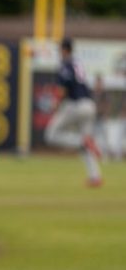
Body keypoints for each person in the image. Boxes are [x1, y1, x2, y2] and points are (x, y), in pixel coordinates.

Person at [44, 38, 102, 187]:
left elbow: (62, 90)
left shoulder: (65, 64)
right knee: (85, 144)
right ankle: (95, 177)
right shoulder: (78, 62)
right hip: (89, 105)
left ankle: (82, 142)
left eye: (60, 49)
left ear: (64, 50)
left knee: (51, 135)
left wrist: (55, 104)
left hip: (75, 105)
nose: (59, 52)